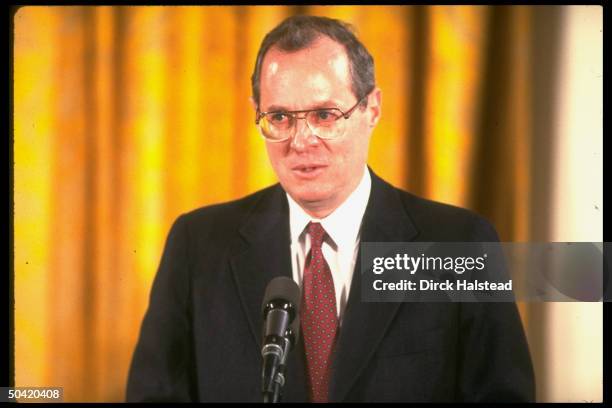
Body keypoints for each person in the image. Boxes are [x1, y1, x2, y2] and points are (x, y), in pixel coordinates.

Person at [126, 15, 535, 402]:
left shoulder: (458, 243)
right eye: (280, 117)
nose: (302, 140)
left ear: (371, 109)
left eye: (325, 115)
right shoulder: (198, 245)